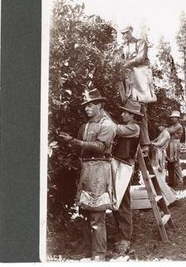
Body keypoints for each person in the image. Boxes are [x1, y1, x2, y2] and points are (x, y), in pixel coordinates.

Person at [58, 89, 117, 261]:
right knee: (84, 208)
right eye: (85, 106)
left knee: (97, 211)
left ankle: (99, 254)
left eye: (91, 105)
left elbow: (100, 146)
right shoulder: (87, 125)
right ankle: (87, 248)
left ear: (100, 105)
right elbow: (82, 148)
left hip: (99, 168)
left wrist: (73, 141)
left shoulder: (107, 125)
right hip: (86, 168)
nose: (87, 108)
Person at [112, 98, 143, 255]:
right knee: (116, 199)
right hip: (118, 163)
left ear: (132, 115)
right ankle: (121, 233)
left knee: (123, 201)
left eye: (125, 112)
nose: (122, 114)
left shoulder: (134, 128)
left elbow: (116, 129)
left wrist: (103, 118)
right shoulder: (127, 126)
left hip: (125, 166)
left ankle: (125, 237)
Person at [118, 25, 155, 147]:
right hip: (130, 78)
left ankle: (145, 141)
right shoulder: (123, 46)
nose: (125, 35)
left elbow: (141, 57)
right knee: (129, 107)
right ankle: (131, 139)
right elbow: (120, 60)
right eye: (122, 33)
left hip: (140, 77)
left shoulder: (140, 42)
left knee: (142, 109)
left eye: (126, 33)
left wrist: (128, 63)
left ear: (131, 31)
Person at [167, 110, 184, 187]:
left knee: (176, 163)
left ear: (177, 118)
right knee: (170, 163)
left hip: (175, 144)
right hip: (170, 143)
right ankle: (171, 182)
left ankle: (180, 182)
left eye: (174, 117)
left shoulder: (178, 126)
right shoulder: (173, 126)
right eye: (172, 117)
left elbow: (168, 131)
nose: (172, 119)